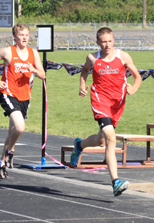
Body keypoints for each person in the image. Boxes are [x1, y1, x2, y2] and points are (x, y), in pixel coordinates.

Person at [70, 27, 142, 196]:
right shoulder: (92, 57)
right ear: (98, 43)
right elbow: (85, 70)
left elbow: (137, 76)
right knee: (110, 137)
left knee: (102, 141)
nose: (107, 44)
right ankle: (115, 181)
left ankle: (79, 145)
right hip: (100, 100)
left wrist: (134, 88)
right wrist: (82, 86)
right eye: (104, 41)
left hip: (118, 103)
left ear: (113, 41)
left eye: (110, 41)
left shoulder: (123, 56)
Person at [0, 23, 45, 179]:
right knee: (19, 128)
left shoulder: (34, 53)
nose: (24, 37)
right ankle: (11, 150)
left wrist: (34, 70)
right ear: (15, 36)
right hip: (8, 93)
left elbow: (43, 75)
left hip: (25, 97)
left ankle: (2, 161)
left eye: (26, 35)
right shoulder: (7, 52)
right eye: (21, 35)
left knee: (13, 131)